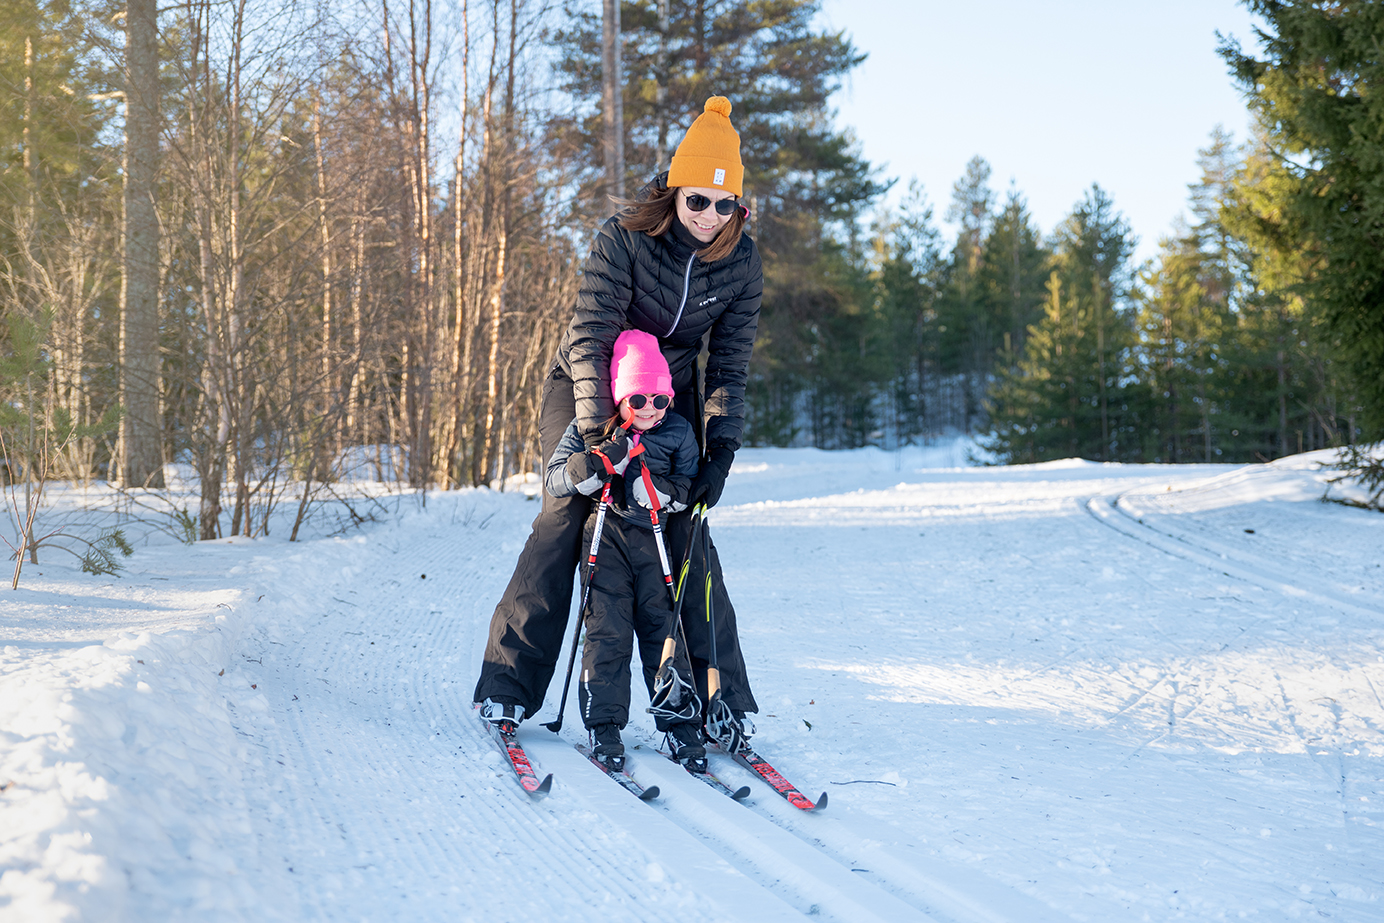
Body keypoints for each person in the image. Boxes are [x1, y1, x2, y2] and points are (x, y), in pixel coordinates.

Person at [474, 95, 761, 748]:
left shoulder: (740, 263)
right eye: (698, 200)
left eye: (725, 205)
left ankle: (716, 699)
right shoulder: (624, 238)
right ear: (674, 191)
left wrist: (719, 452)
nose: (709, 217)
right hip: (587, 385)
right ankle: (506, 686)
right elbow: (590, 334)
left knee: (686, 530)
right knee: (567, 510)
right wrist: (603, 440)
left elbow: (729, 370)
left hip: (668, 398)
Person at [544, 330, 706, 771]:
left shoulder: (678, 432)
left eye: (660, 399)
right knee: (607, 630)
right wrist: (599, 465)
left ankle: (678, 723)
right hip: (606, 537)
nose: (650, 410)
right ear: (619, 397)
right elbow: (556, 480)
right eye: (638, 399)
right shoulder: (593, 428)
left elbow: (689, 485)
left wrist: (659, 491)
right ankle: (604, 724)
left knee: (663, 628)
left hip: (654, 540)